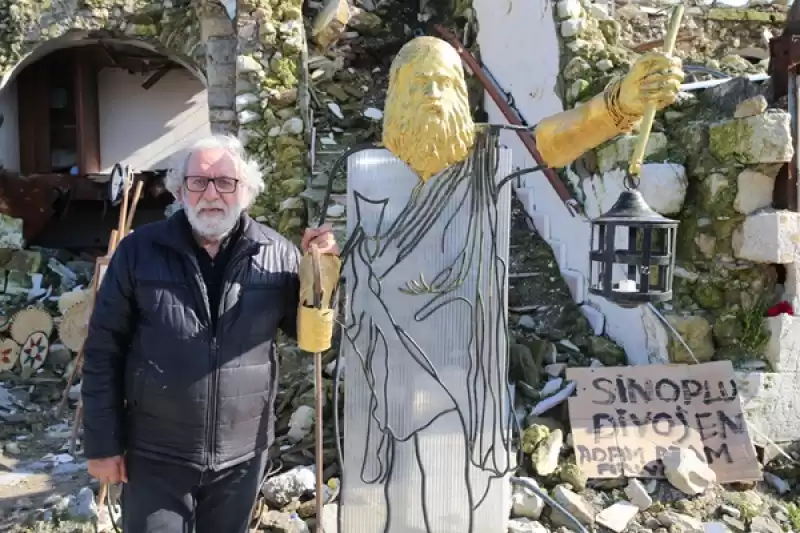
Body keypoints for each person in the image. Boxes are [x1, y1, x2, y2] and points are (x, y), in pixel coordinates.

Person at [80, 134, 339, 533]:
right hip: (156, 455)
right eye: (198, 181)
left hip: (241, 459)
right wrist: (103, 444)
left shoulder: (277, 253)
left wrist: (317, 271)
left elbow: (310, 334)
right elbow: (102, 350)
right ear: (180, 191)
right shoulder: (138, 253)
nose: (211, 193)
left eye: (225, 181)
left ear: (246, 191)